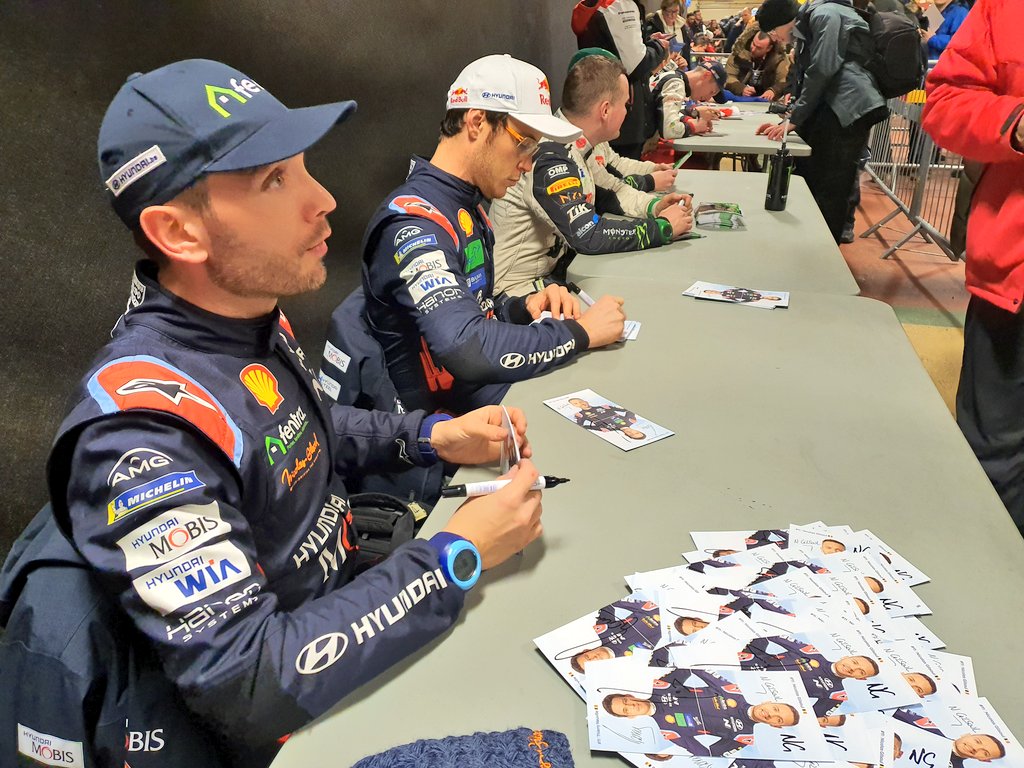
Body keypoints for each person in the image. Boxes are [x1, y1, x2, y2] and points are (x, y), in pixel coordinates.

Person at [0, 59, 548, 768]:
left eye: (303, 166)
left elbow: (306, 429)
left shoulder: (246, 320)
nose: (323, 199)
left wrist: (433, 435)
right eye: (274, 180)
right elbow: (249, 680)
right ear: (179, 233)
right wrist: (455, 557)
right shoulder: (138, 437)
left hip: (346, 617)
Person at [360, 55, 627, 416]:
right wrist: (580, 335)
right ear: (476, 122)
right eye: (524, 143)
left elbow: (474, 313)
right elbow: (465, 348)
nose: (529, 162)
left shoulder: (466, 205)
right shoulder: (414, 224)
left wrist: (522, 309)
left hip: (488, 407)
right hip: (450, 444)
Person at [919, 0, 1024, 536]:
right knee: (990, 469)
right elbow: (947, 101)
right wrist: (1017, 124)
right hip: (1012, 282)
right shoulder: (1003, 9)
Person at [489, 53, 693, 297]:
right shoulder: (552, 154)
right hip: (513, 293)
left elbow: (610, 194)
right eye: (625, 105)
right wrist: (661, 228)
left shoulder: (578, 144)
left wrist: (655, 207)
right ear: (605, 110)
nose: (628, 112)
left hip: (549, 278)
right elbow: (587, 234)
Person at [756, 0, 889, 243]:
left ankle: (824, 251)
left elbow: (822, 69)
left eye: (774, 33)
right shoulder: (812, 22)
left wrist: (795, 119)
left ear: (781, 24)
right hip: (835, 106)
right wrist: (791, 116)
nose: (775, 39)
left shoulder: (825, 15)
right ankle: (808, 242)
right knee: (812, 175)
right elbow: (809, 75)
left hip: (849, 109)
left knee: (832, 187)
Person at [602, 668, 801, 757]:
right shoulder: (667, 730)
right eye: (775, 709)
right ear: (629, 716)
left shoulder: (743, 736)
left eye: (777, 718)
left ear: (776, 725)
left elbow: (708, 754)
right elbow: (695, 669)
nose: (770, 714)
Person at [573, 0, 671, 158]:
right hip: (622, 117)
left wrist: (649, 43)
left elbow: (618, 50)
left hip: (599, 106)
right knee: (621, 175)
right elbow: (636, 65)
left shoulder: (600, 5)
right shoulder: (620, 5)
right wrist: (659, 46)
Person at [738, 635, 881, 717]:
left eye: (860, 672)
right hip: (742, 666)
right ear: (847, 656)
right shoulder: (811, 651)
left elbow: (810, 719)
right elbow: (770, 635)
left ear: (860, 678)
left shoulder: (836, 694)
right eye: (855, 662)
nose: (852, 668)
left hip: (753, 694)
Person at [724, 0, 796, 101]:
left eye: (759, 48)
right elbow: (728, 75)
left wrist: (774, 90)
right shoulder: (739, 53)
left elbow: (784, 79)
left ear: (769, 48)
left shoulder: (779, 58)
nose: (753, 49)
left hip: (766, 102)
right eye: (753, 44)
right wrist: (740, 88)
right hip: (740, 99)